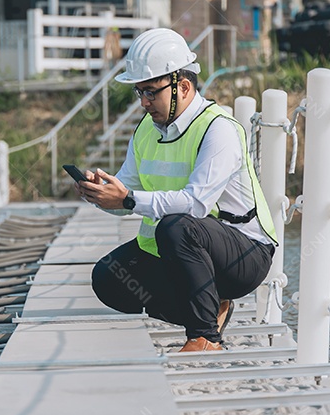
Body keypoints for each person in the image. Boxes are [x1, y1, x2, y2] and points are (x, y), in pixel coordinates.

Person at [75, 28, 278, 352]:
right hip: (185, 247)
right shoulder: (146, 130)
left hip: (244, 255)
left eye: (151, 92)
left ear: (183, 86)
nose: (143, 102)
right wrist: (101, 194)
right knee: (108, 278)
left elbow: (195, 204)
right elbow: (129, 187)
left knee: (177, 224)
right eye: (139, 92)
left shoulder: (219, 129)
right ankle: (211, 308)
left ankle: (204, 336)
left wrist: (127, 199)